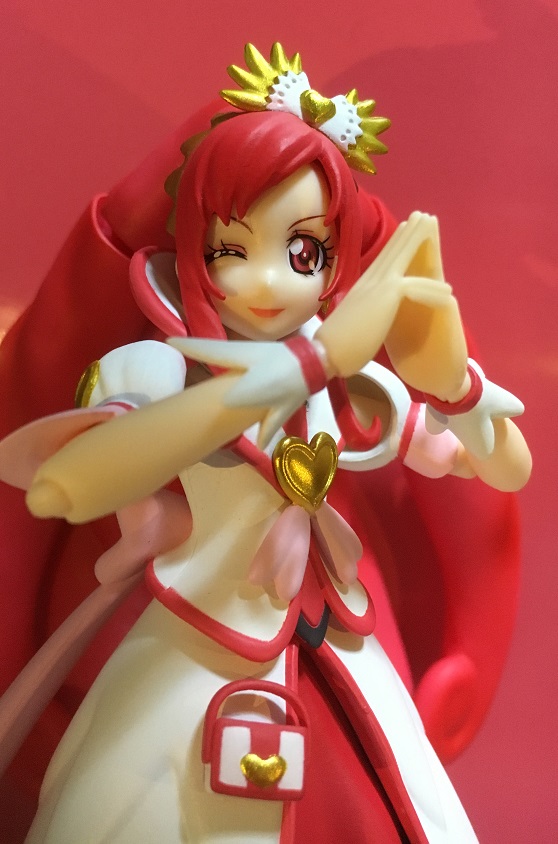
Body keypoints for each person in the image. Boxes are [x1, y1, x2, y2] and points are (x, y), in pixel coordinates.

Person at [0, 44, 530, 843]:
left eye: (302, 253)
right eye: (231, 250)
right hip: (196, 643)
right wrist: (312, 360)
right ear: (195, 244)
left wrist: (454, 384)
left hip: (335, 644)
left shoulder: (349, 386)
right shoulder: (158, 369)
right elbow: (67, 484)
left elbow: (502, 467)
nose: (267, 283)